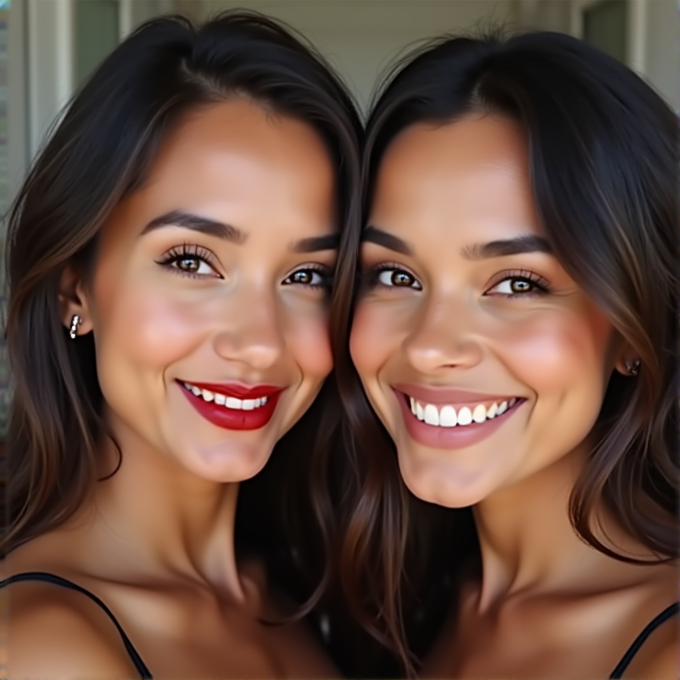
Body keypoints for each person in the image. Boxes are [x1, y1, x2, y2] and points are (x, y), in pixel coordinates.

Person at [2, 10, 361, 678]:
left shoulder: (290, 592)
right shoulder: (47, 651)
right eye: (192, 262)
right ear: (73, 287)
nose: (258, 344)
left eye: (307, 275)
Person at [338, 29, 679, 678]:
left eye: (518, 283)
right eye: (394, 276)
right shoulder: (402, 603)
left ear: (634, 331)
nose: (433, 345)